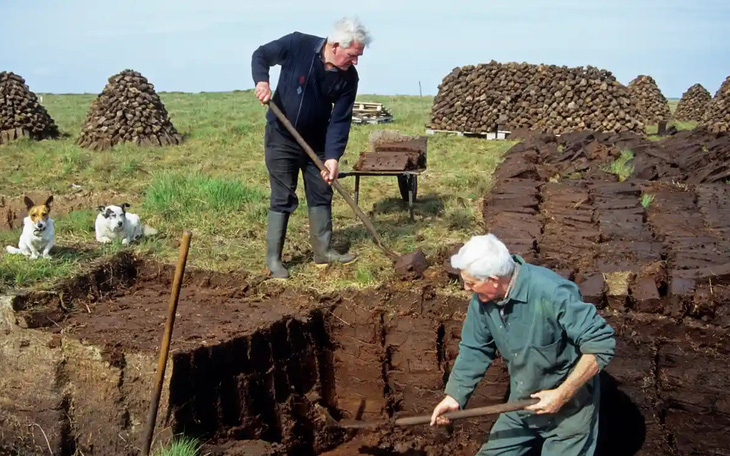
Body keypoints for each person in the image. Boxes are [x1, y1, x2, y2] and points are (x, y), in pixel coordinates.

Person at [430, 234, 615, 455]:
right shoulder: (483, 301)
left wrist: (561, 395)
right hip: (521, 403)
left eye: (471, 283)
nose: (466, 289)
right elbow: (475, 349)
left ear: (493, 279)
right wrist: (454, 397)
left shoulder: (551, 292)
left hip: (569, 411)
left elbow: (601, 343)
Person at [251, 17, 371, 279]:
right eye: (353, 55)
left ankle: (323, 251)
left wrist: (332, 157)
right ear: (336, 45)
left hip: (316, 142)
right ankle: (273, 260)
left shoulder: (348, 78)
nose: (356, 61)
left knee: (321, 191)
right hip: (281, 137)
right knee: (283, 196)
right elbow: (261, 55)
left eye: (359, 56)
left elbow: (340, 120)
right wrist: (262, 81)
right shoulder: (298, 44)